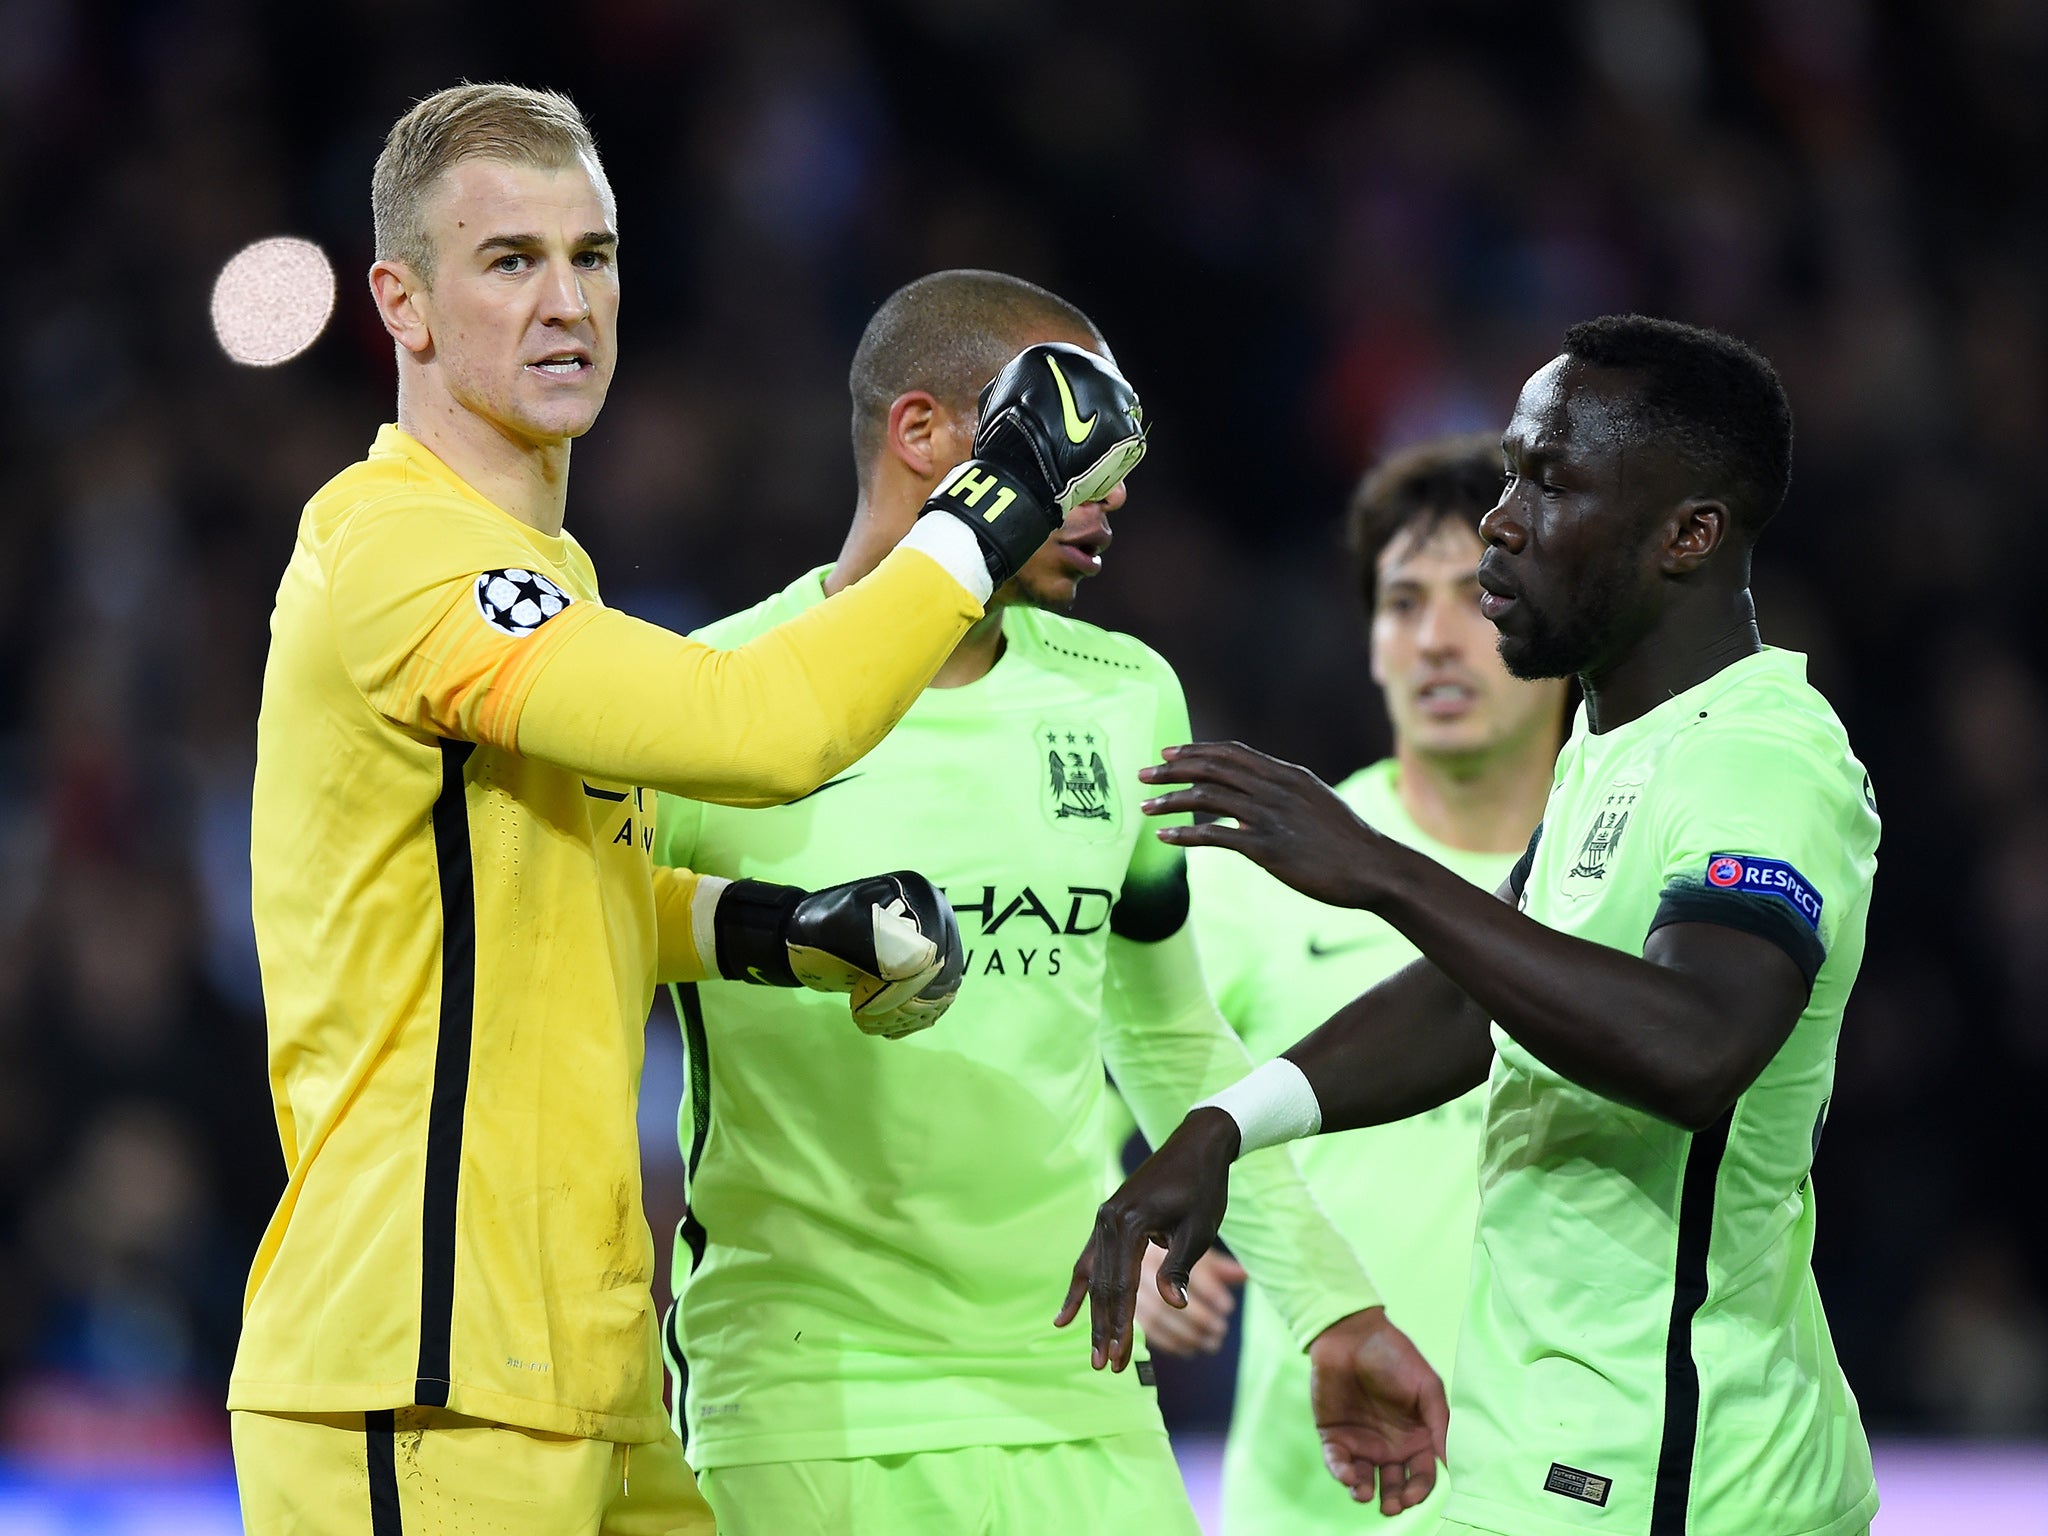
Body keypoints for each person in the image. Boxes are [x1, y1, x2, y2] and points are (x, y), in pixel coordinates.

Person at [230, 86, 1145, 1536]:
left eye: (591, 257)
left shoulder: (543, 571)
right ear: (400, 302)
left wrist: (784, 929)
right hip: (420, 1362)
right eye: (509, 260)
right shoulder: (394, 550)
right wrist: (994, 501)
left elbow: (568, 886)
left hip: (581, 1358)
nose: (565, 302)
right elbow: (765, 731)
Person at [654, 269, 1446, 1535]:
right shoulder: (706, 702)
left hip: (1077, 1380)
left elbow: (1168, 1032)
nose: (1113, 485)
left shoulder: (1122, 696)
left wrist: (1332, 1307)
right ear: (925, 435)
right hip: (807, 1393)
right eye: (1073, 423)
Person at [1070, 315, 1882, 1536]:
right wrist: (1223, 1126)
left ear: (1689, 535)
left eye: (1550, 480)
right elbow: (1468, 1000)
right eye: (1510, 470)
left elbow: (1695, 1047)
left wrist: (1382, 875)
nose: (1501, 518)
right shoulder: (1615, 744)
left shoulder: (1760, 762)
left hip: (1677, 1478)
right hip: (1532, 1461)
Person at [1133, 434, 1568, 1533]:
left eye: (1475, 597)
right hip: (1324, 1491)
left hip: (1575, 1484)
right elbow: (1082, 1099)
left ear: (1560, 625)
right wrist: (1123, 1243)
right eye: (1397, 603)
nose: (1431, 640)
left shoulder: (1624, 868)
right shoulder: (1265, 873)